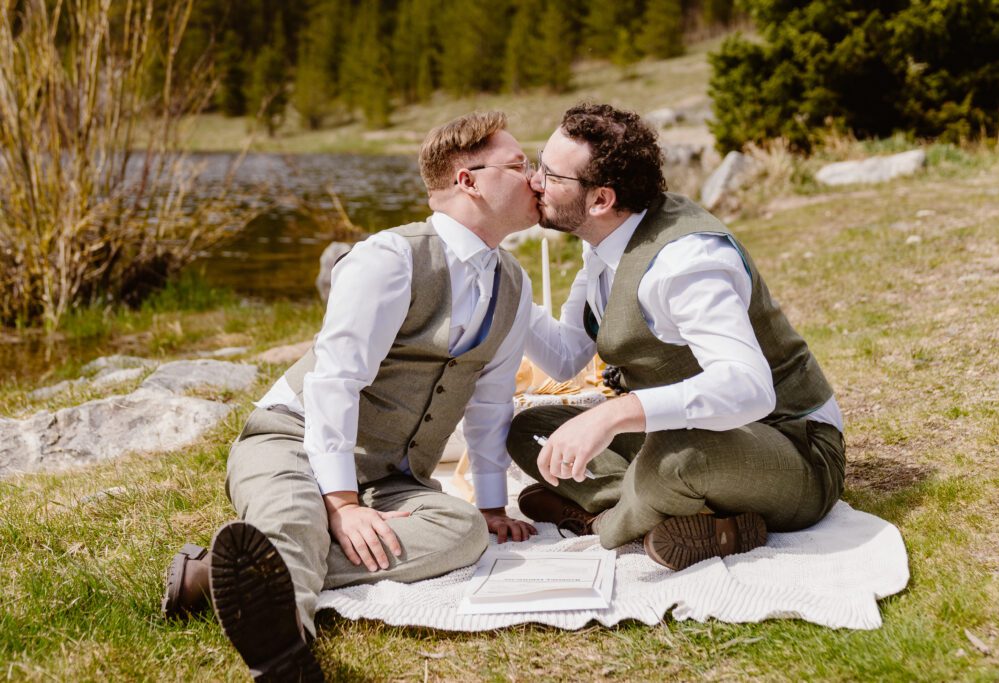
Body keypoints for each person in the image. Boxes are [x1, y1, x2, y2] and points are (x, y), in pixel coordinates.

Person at [161, 111, 539, 681]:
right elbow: (335, 383)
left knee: (460, 533)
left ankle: (217, 573)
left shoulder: (513, 281)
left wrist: (489, 505)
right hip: (291, 439)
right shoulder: (389, 259)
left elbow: (489, 404)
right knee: (295, 515)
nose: (536, 178)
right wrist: (339, 504)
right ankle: (286, 652)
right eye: (519, 165)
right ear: (469, 180)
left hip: (391, 477)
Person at [507, 103, 845, 572]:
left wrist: (616, 415)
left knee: (670, 461)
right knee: (532, 430)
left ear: (601, 199)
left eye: (551, 173)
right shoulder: (603, 243)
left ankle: (606, 523)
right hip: (697, 432)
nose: (535, 180)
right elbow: (566, 357)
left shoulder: (684, 264)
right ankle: (679, 514)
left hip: (791, 445)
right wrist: (503, 282)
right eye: (539, 161)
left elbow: (749, 388)